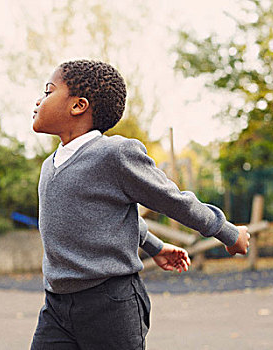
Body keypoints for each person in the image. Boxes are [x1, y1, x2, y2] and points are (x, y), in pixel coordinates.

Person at [30, 59, 250, 350]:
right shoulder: (50, 165)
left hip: (109, 305)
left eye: (48, 91)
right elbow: (104, 217)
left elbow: (172, 200)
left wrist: (228, 232)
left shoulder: (115, 154)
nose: (38, 100)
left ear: (78, 106)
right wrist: (155, 246)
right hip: (56, 307)